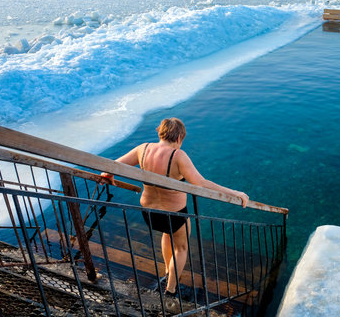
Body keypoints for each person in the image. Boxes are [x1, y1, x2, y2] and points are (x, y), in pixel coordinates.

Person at [101, 117, 249, 296]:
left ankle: (167, 271)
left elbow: (111, 166)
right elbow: (201, 183)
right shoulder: (178, 155)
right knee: (181, 248)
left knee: (166, 234)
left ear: (160, 132)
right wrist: (235, 193)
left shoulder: (143, 149)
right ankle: (170, 289)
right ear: (179, 138)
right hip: (174, 214)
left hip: (149, 213)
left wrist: (108, 176)